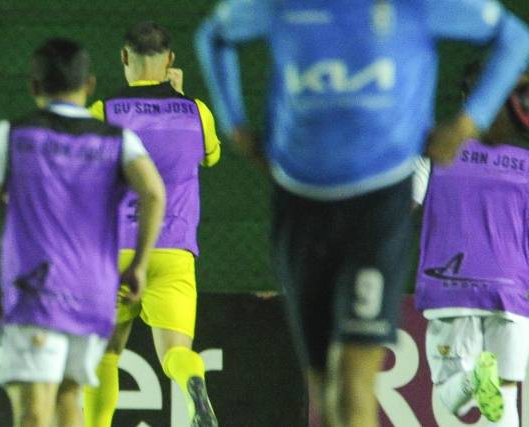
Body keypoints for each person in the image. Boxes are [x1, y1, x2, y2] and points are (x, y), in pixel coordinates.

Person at [195, 1, 529, 425]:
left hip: (376, 208)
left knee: (354, 379)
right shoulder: (281, 7)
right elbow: (214, 35)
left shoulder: (417, 7)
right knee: (324, 387)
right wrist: (235, 126)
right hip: (300, 207)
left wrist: (466, 124)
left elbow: (514, 36)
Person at [0, 37, 166, 427]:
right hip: (94, 295)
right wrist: (139, 265)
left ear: (34, 86)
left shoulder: (11, 134)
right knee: (69, 400)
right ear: (89, 85)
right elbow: (155, 194)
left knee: (33, 411)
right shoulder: (119, 140)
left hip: (38, 291)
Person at [82, 21, 220, 427]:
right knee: (175, 351)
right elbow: (210, 157)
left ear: (124, 57)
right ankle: (193, 381)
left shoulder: (103, 113)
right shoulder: (197, 113)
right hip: (174, 250)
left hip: (116, 251)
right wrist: (178, 98)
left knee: (105, 354)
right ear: (170, 60)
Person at [412, 64, 529, 426]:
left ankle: (474, 379)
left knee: (450, 399)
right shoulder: (526, 162)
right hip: (512, 291)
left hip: (451, 286)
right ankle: (483, 379)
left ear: (465, 99)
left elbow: (406, 205)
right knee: (506, 401)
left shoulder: (433, 151)